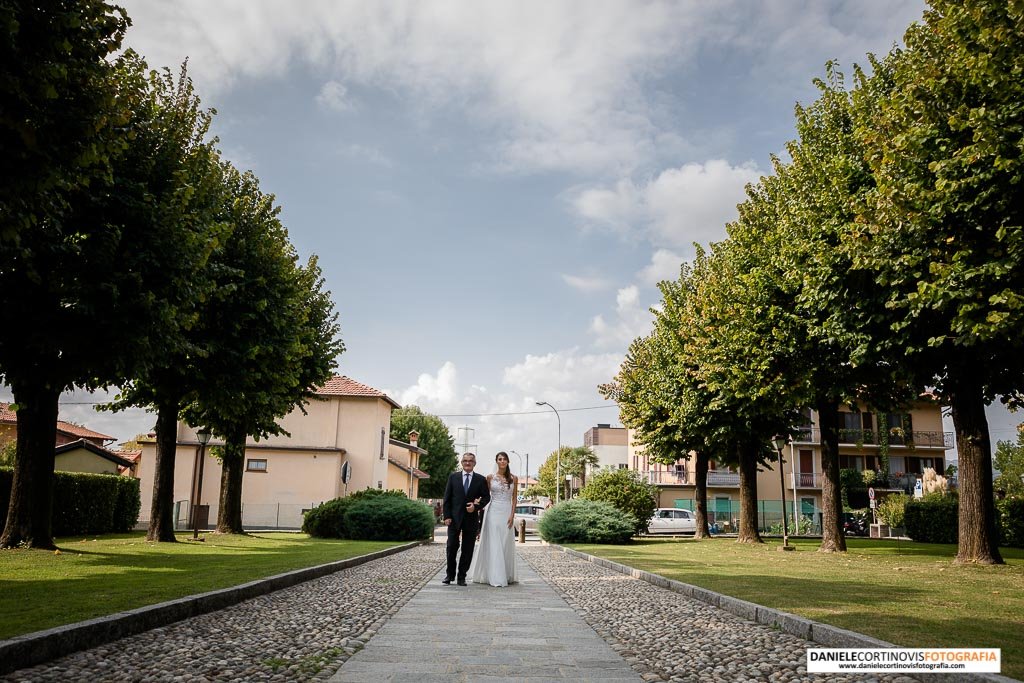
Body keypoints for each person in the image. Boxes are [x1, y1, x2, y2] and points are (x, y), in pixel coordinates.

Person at [469, 451, 518, 587]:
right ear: (496, 461)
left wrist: (512, 515)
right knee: (494, 542)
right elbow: (485, 495)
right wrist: (476, 502)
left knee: (504, 542)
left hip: (506, 512)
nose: (502, 461)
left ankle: (506, 573)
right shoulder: (490, 477)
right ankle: (495, 576)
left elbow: (514, 499)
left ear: (508, 462)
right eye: (500, 459)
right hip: (493, 512)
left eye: (504, 459)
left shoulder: (514, 478)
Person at [442, 452, 490, 586]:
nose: (468, 463)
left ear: (474, 463)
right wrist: (447, 516)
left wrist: (476, 506)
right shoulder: (453, 477)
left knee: (467, 549)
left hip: (471, 519)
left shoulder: (481, 479)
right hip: (454, 519)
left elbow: (486, 498)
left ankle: (461, 576)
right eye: (465, 461)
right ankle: (449, 575)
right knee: (451, 547)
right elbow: (447, 498)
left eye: (470, 461)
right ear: (461, 463)